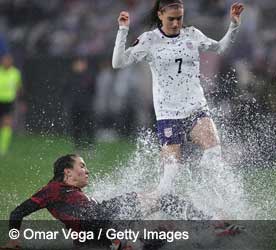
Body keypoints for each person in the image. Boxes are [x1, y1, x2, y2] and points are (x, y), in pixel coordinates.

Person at [112, 0, 244, 195]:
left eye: (179, 18)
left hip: (195, 107)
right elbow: (118, 62)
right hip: (168, 114)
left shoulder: (192, 34)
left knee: (213, 153)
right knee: (169, 179)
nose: (176, 24)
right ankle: (150, 213)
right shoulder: (149, 40)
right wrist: (123, 30)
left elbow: (220, 48)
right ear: (160, 15)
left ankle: (214, 206)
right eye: (171, 19)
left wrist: (234, 25)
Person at [2, 154, 240, 249]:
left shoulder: (75, 196)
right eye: (82, 166)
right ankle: (210, 223)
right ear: (67, 172)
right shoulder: (52, 189)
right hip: (102, 222)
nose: (87, 171)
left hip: (99, 234)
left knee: (163, 236)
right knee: (162, 198)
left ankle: (210, 238)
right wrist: (13, 241)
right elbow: (17, 213)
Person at [0, 53, 22, 156]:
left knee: (7, 124)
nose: (6, 62)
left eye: (8, 60)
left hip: (8, 102)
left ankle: (3, 148)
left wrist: (18, 100)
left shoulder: (15, 73)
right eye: (4, 60)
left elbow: (18, 88)